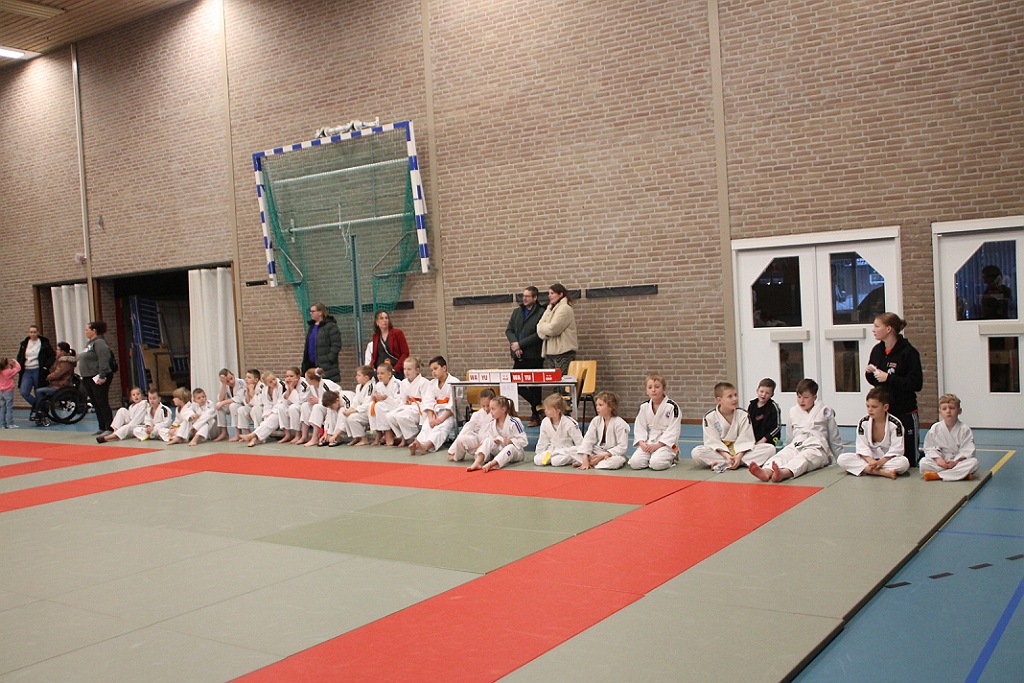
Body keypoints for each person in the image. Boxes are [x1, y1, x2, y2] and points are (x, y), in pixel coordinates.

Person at [749, 378, 842, 482]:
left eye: (806, 397)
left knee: (805, 458)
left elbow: (834, 437)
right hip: (797, 443)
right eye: (799, 397)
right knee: (783, 455)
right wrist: (789, 446)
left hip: (817, 447)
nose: (801, 401)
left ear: (814, 397)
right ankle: (767, 471)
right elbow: (790, 434)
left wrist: (839, 457)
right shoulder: (793, 411)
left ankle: (784, 472)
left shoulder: (825, 411)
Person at [865, 312, 923, 466]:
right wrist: (870, 373)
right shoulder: (877, 350)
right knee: (887, 453)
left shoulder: (909, 352)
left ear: (888, 329)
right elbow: (875, 382)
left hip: (904, 410)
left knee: (909, 457)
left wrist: (889, 378)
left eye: (877, 326)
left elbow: (916, 384)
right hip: (885, 411)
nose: (873, 330)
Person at [692, 381, 775, 471]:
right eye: (730, 396)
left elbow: (746, 439)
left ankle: (730, 462)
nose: (735, 399)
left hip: (741, 452)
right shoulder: (709, 417)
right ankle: (733, 461)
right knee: (696, 453)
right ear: (719, 400)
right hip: (721, 452)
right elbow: (713, 441)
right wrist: (727, 456)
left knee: (770, 449)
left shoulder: (743, 414)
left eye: (735, 395)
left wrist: (738, 457)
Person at [837, 387, 910, 479]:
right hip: (868, 459)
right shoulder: (863, 423)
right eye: (868, 406)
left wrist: (880, 462)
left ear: (885, 407)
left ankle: (864, 469)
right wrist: (870, 460)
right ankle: (881, 472)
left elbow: (897, 449)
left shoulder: (895, 424)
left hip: (886, 460)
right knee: (842, 459)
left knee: (903, 463)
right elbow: (862, 446)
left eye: (874, 407)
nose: (870, 410)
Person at [625, 374, 683, 470]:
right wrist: (642, 443)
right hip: (650, 441)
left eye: (657, 387)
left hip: (669, 444)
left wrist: (658, 445)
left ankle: (673, 456)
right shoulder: (644, 406)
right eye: (650, 387)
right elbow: (639, 426)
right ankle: (652, 456)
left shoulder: (672, 407)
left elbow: (674, 430)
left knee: (656, 464)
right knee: (635, 463)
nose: (653, 390)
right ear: (646, 390)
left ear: (664, 389)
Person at [505, 286, 544, 425]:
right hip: (519, 355)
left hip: (534, 355)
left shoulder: (541, 312)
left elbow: (539, 334)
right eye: (523, 296)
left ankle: (535, 416)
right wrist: (515, 344)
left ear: (535, 297)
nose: (524, 298)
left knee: (534, 386)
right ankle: (539, 405)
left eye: (528, 296)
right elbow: (509, 330)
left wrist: (520, 344)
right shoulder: (517, 312)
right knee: (514, 382)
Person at [920, 393, 979, 482]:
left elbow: (967, 450)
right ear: (940, 412)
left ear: (959, 411)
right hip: (941, 462)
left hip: (957, 462)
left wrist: (955, 462)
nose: (948, 411)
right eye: (944, 409)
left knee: (974, 463)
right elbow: (930, 448)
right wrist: (938, 459)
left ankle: (937, 475)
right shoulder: (935, 428)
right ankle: (961, 474)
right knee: (924, 462)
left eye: (952, 408)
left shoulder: (964, 429)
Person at [467, 396, 528, 472]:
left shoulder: (514, 422)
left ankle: (492, 464)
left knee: (510, 447)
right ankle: (477, 462)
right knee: (488, 440)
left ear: (503, 410)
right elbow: (489, 437)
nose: (490, 412)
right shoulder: (492, 423)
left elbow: (524, 441)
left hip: (516, 452)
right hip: (500, 450)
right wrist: (495, 440)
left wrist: (511, 441)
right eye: (490, 409)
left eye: (493, 409)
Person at [410, 356, 456, 456]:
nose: (433, 372)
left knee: (440, 428)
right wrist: (431, 418)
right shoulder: (431, 384)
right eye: (432, 370)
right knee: (427, 426)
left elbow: (453, 404)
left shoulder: (454, 382)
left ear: (444, 368)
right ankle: (417, 444)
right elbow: (428, 401)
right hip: (435, 413)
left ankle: (425, 446)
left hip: (449, 414)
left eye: (435, 368)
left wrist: (441, 419)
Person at [575, 391, 631, 470]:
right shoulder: (596, 420)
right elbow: (588, 439)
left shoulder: (620, 424)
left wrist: (605, 455)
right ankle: (589, 461)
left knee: (614, 461)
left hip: (613, 454)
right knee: (573, 450)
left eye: (600, 405)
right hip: (598, 451)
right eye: (597, 405)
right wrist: (584, 457)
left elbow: (622, 447)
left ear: (610, 407)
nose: (597, 407)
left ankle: (592, 462)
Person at [78, 321, 116, 436]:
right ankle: (101, 426)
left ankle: (109, 427)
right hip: (88, 377)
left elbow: (104, 358)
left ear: (94, 331)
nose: (85, 332)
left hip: (97, 376)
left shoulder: (99, 342)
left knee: (102, 401)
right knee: (95, 401)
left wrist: (102, 375)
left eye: (87, 330)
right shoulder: (89, 343)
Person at [536, 283, 578, 378]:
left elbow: (553, 329)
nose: (549, 296)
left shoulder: (565, 309)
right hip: (550, 352)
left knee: (562, 381)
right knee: (553, 381)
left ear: (560, 294)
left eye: (552, 293)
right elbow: (538, 327)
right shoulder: (549, 308)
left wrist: (544, 329)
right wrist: (545, 331)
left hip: (563, 352)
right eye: (549, 293)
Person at [388, 357, 429, 447]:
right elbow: (402, 400)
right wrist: (400, 408)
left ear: (417, 370)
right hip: (407, 406)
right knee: (390, 416)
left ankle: (416, 436)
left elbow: (426, 402)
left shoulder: (424, 382)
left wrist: (423, 420)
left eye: (409, 369)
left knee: (401, 417)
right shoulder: (403, 382)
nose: (406, 372)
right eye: (404, 369)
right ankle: (403, 437)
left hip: (418, 408)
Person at [532, 394, 583, 466]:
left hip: (566, 451)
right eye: (545, 409)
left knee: (556, 461)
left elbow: (580, 442)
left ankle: (573, 458)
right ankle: (549, 458)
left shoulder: (569, 423)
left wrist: (580, 455)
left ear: (558, 410)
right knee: (538, 460)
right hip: (551, 450)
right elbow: (543, 440)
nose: (546, 411)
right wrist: (539, 453)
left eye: (549, 409)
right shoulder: (545, 422)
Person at [33, 342, 77, 426]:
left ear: (63, 352)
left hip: (61, 386)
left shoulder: (65, 363)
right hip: (56, 384)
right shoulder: (59, 361)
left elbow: (57, 374)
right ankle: (41, 411)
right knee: (41, 391)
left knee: (39, 391)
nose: (56, 351)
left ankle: (41, 412)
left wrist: (48, 377)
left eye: (57, 349)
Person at [448, 388, 496, 462]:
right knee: (461, 439)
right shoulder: (477, 414)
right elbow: (466, 429)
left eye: (488, 405)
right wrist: (452, 450)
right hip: (477, 440)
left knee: (481, 457)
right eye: (483, 406)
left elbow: (495, 435)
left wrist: (483, 445)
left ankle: (480, 456)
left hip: (489, 445)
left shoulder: (496, 414)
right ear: (479, 403)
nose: (486, 408)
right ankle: (456, 457)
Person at [16, 325, 56, 414]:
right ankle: (38, 406)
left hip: (38, 369)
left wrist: (46, 366)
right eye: (31, 332)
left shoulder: (44, 343)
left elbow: (52, 355)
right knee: (24, 391)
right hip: (27, 370)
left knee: (38, 390)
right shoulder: (24, 344)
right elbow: (20, 356)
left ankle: (41, 411)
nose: (33, 334)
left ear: (38, 333)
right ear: (29, 333)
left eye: (34, 332)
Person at [301, 303, 343, 382]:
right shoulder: (312, 327)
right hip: (311, 365)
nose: (311, 313)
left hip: (325, 366)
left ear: (320, 312)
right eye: (310, 311)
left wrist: (329, 359)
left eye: (313, 311)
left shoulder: (330, 326)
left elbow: (336, 344)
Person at [335, 365, 374, 446]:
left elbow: (367, 404)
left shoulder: (371, 387)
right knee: (345, 414)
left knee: (352, 417)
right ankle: (356, 437)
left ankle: (364, 439)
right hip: (360, 411)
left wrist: (353, 411)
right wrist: (350, 409)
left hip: (368, 412)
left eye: (359, 375)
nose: (356, 377)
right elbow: (355, 401)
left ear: (366, 378)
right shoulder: (358, 387)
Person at [368, 362, 402, 446]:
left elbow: (399, 402)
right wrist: (375, 398)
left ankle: (388, 433)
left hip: (396, 407)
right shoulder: (378, 385)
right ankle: (379, 432)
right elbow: (374, 397)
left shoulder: (397, 383)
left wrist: (386, 398)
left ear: (389, 374)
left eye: (382, 373)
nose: (379, 376)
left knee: (379, 405)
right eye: (378, 373)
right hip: (384, 408)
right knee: (371, 405)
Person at [370, 310, 410, 380]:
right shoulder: (375, 336)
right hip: (380, 369)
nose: (384, 320)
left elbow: (405, 353)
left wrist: (396, 368)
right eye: (381, 318)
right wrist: (372, 367)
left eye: (386, 318)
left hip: (394, 368)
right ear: (377, 322)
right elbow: (375, 355)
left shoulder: (397, 333)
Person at [747, 378, 782, 448]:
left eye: (767, 393)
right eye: (761, 391)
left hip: (769, 440)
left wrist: (764, 439)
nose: (763, 395)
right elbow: (748, 422)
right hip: (753, 439)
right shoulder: (752, 405)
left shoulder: (773, 407)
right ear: (757, 391)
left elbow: (777, 427)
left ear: (772, 394)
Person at [213, 368, 246, 442]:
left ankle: (238, 433)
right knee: (218, 405)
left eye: (231, 378)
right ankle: (224, 432)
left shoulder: (241, 382)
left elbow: (239, 398)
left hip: (242, 404)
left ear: (233, 375)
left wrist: (223, 403)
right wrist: (224, 384)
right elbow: (221, 399)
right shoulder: (225, 385)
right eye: (227, 381)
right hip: (233, 404)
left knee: (233, 406)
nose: (231, 382)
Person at [0, 358, 20, 429]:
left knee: (3, 408)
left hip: (1, 391)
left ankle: (3, 424)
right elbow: (18, 368)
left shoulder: (1, 372)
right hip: (8, 391)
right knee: (9, 408)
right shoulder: (8, 372)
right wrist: (15, 361)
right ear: (6, 365)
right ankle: (10, 424)